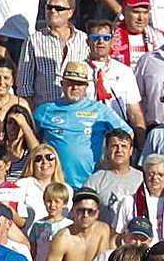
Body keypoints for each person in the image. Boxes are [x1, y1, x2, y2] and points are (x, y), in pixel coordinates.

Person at [32, 60, 132, 189]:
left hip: (91, 183)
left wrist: (110, 161)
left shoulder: (100, 110)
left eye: (79, 84)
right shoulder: (45, 111)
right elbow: (31, 139)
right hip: (56, 185)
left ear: (86, 87)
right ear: (62, 84)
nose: (75, 88)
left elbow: (128, 134)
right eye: (71, 83)